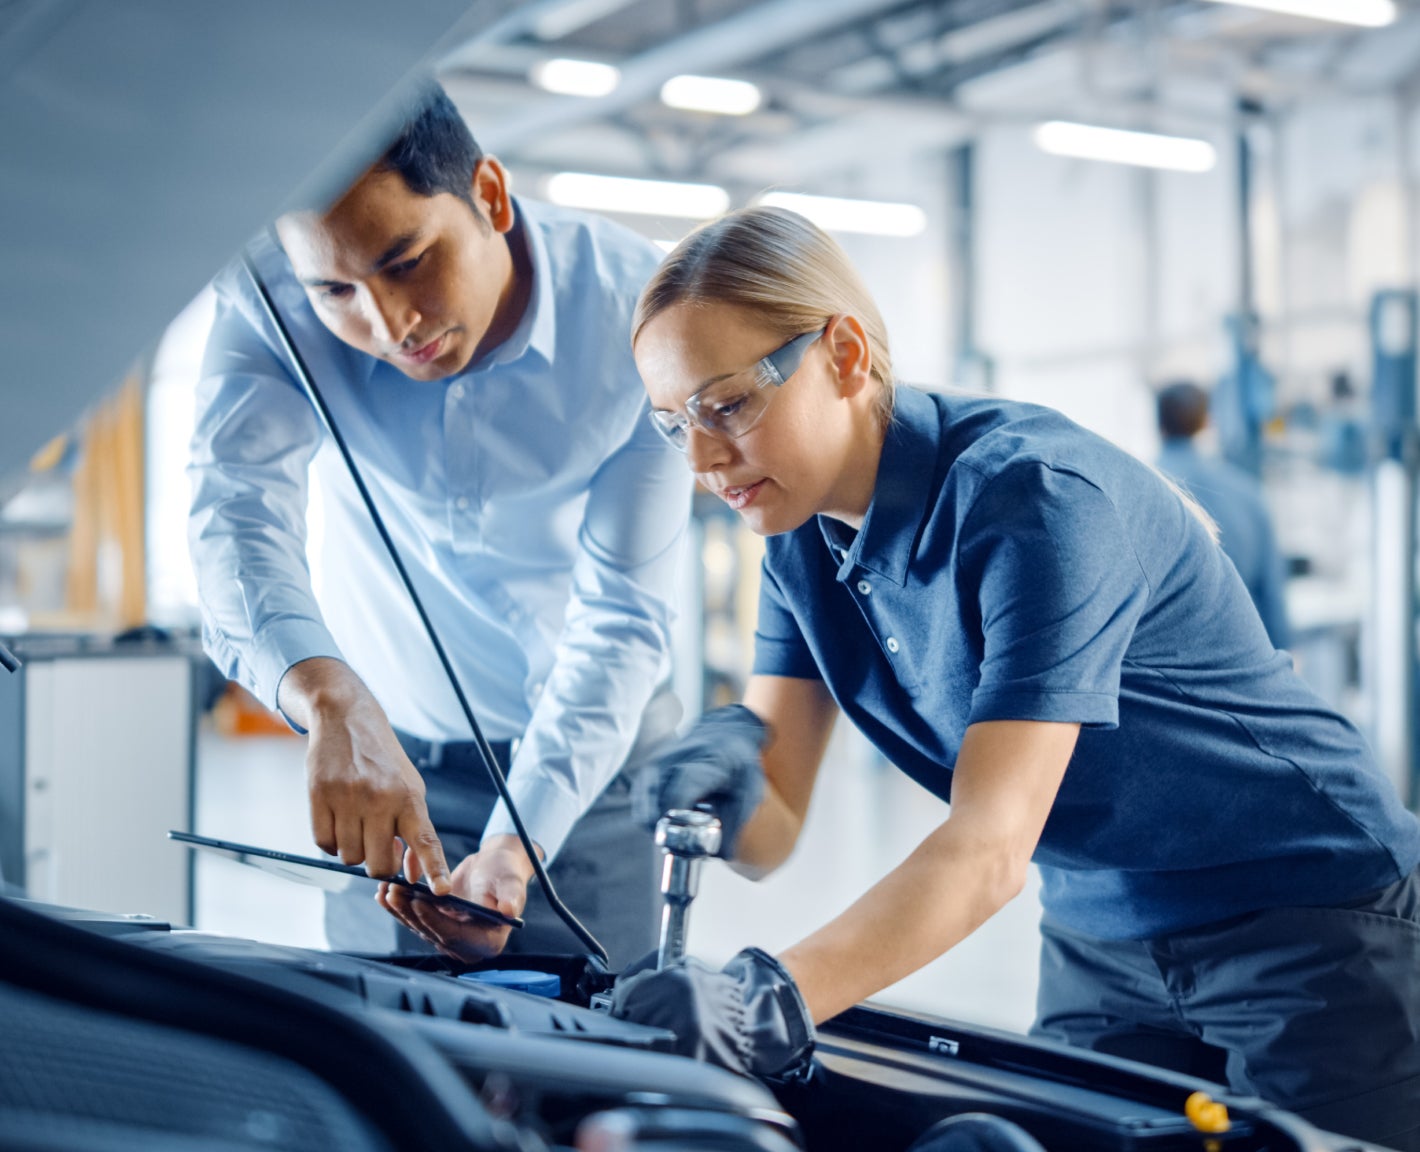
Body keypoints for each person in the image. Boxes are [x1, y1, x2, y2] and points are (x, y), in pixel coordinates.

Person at [612, 205, 1420, 1150]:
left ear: (840, 353)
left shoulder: (1032, 500)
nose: (704, 461)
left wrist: (768, 999)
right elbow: (775, 827)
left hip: (1306, 915)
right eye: (675, 426)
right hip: (1100, 931)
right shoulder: (799, 546)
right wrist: (722, 782)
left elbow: (989, 850)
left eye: (728, 405)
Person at [188, 83, 691, 966]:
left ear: (490, 197)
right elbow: (235, 511)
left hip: (597, 772)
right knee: (392, 1060)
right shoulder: (268, 298)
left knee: (602, 1063)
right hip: (388, 770)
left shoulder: (643, 316)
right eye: (335, 289)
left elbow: (620, 621)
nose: (387, 324)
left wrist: (514, 840)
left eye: (408, 260)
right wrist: (325, 692)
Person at [1155, 379, 1291, 649]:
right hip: (1241, 658)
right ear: (1207, 422)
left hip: (1163, 669)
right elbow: (1271, 592)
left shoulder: (1140, 493)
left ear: (1159, 426)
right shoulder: (1248, 492)